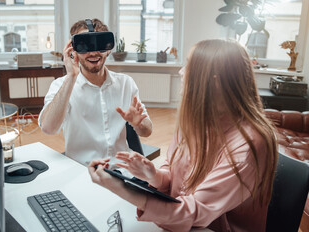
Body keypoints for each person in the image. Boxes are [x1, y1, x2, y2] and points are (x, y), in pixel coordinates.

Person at [88, 39, 278, 231]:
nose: (181, 71)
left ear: (214, 82)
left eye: (189, 65)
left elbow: (194, 213)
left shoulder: (248, 145)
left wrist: (119, 188)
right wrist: (153, 175)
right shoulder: (196, 120)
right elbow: (174, 176)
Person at [39, 18, 152, 166]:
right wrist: (71, 77)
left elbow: (147, 131)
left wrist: (138, 125)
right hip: (82, 171)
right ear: (73, 50)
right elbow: (48, 129)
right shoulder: (61, 86)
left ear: (108, 48)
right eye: (85, 45)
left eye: (100, 45)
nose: (93, 52)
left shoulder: (125, 83)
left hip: (122, 169)